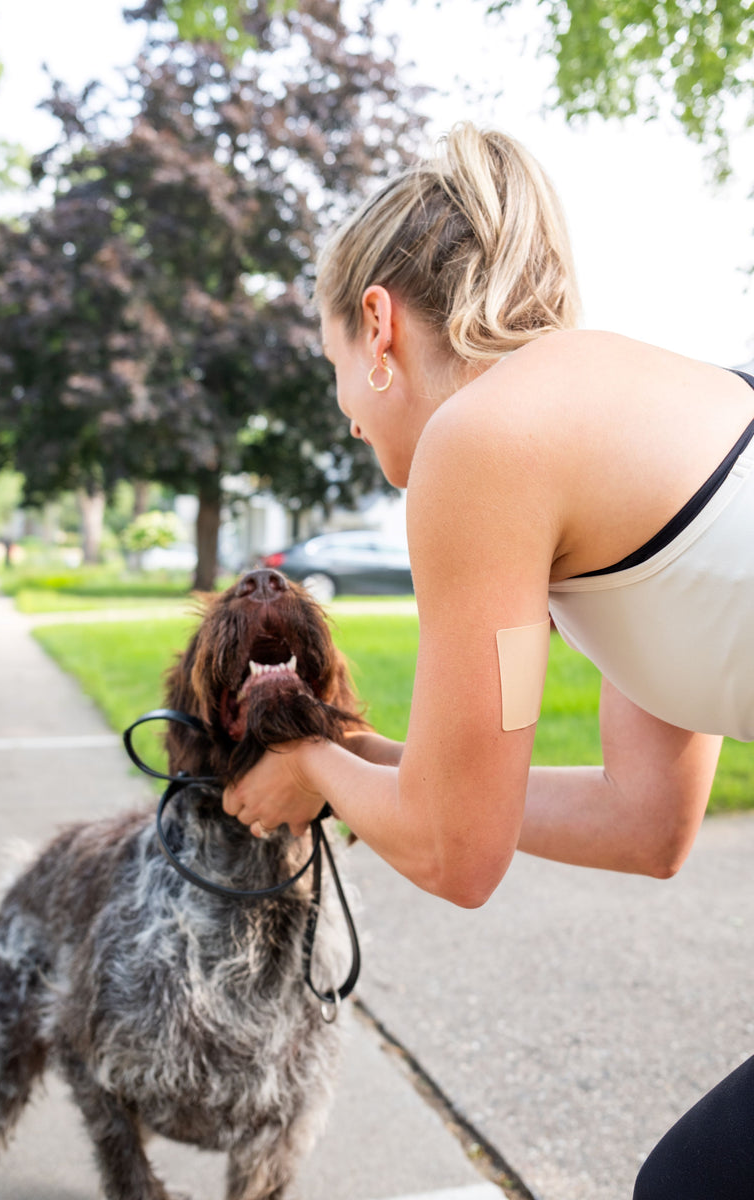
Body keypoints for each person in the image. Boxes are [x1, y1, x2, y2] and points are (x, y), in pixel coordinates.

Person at [222, 123, 754, 1198]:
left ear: (378, 325)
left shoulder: (480, 440)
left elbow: (456, 855)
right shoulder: (629, 414)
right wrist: (362, 747)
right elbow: (643, 821)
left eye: (337, 373)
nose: (351, 420)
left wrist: (307, 771)